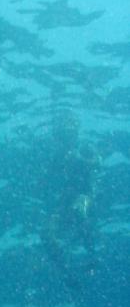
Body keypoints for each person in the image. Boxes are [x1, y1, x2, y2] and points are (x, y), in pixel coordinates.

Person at [41, 111, 99, 287]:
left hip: (85, 195)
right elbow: (47, 180)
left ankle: (92, 256)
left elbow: (96, 163)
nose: (67, 136)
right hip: (63, 204)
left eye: (70, 131)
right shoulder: (57, 155)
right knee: (46, 233)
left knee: (80, 212)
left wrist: (79, 159)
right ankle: (66, 272)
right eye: (63, 132)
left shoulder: (84, 148)